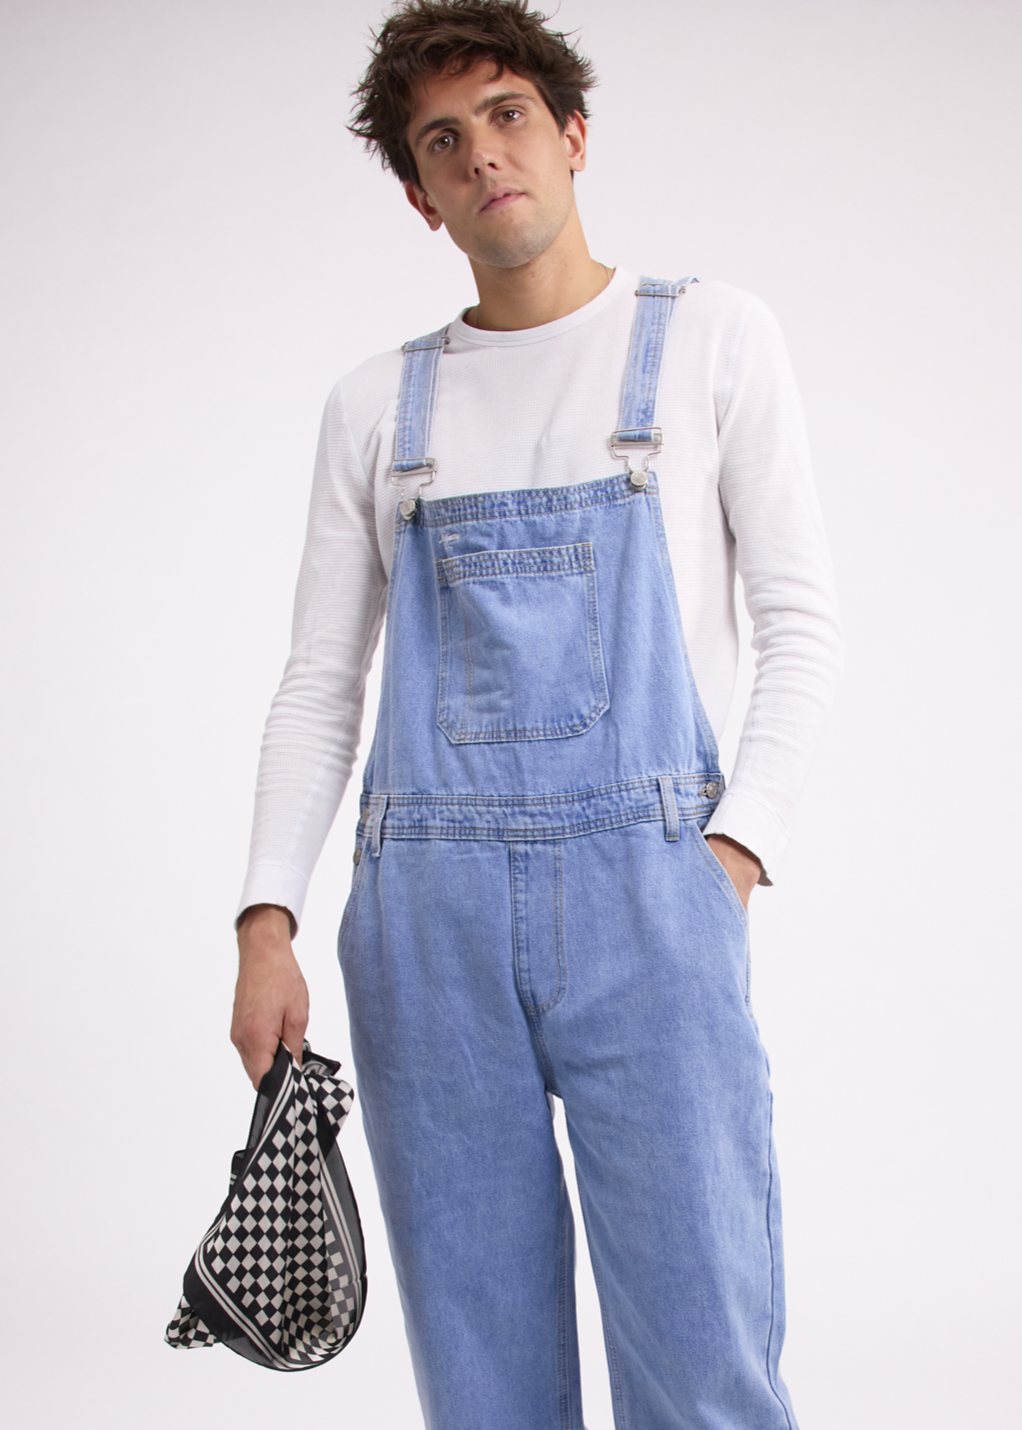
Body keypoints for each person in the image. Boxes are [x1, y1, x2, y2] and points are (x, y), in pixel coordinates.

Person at [230, 2, 842, 1425]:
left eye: (506, 115)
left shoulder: (709, 340)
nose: (482, 155)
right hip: (425, 921)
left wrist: (732, 852)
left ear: (571, 134)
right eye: (442, 142)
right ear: (421, 196)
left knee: (703, 1353)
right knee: (481, 1372)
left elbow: (802, 622)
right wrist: (266, 919)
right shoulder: (376, 405)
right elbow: (320, 681)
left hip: (653, 898)